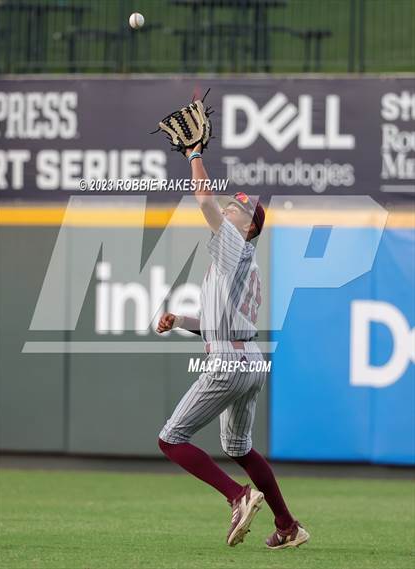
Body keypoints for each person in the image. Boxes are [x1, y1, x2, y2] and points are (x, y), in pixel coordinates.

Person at [157, 142, 309, 550]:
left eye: (237, 212)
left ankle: (238, 496)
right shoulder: (237, 262)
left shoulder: (235, 248)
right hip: (248, 360)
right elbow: (220, 323)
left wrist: (193, 154)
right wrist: (182, 321)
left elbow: (203, 198)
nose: (228, 212)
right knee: (239, 447)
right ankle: (288, 525)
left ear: (249, 228)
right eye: (231, 208)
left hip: (228, 362)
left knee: (170, 439)